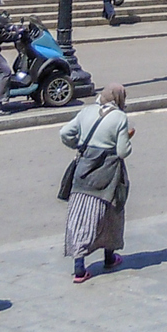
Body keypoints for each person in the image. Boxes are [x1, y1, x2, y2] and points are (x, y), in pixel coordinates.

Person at [61, 82, 133, 283]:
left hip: (83, 171)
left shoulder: (86, 112)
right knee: (111, 214)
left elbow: (64, 133)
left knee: (81, 217)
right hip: (108, 176)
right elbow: (122, 151)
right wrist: (128, 138)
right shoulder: (119, 117)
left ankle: (79, 269)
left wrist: (79, 145)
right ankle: (109, 258)